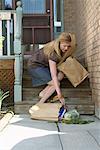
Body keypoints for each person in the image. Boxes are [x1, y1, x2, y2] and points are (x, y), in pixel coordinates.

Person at [27, 32, 76, 107]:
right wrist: (60, 95)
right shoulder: (54, 53)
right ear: (59, 43)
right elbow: (54, 76)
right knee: (56, 83)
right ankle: (40, 103)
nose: (66, 48)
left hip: (44, 66)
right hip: (35, 66)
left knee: (61, 74)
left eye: (68, 46)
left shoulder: (60, 49)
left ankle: (43, 93)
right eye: (64, 46)